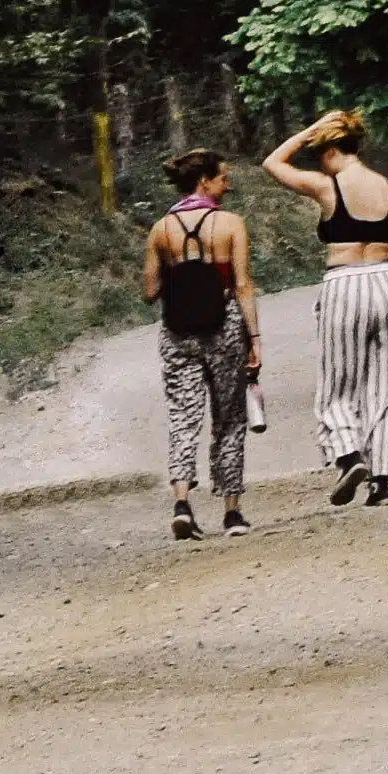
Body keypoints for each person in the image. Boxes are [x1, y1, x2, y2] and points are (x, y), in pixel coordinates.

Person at [258, 108, 388, 503]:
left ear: (332, 148)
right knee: (384, 382)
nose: (321, 159)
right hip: (386, 282)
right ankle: (382, 480)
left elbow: (272, 163)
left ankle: (348, 455)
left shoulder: (327, 187)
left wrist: (308, 129)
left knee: (338, 381)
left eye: (322, 151)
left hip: (345, 284)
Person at [142, 148, 261, 538]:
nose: (227, 184)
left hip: (177, 331)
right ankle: (231, 511)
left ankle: (181, 503)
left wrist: (180, 275)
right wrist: (254, 337)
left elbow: (149, 290)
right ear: (204, 181)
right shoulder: (230, 223)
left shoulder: (160, 229)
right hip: (223, 325)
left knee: (182, 417)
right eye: (223, 177)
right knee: (229, 418)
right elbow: (242, 284)